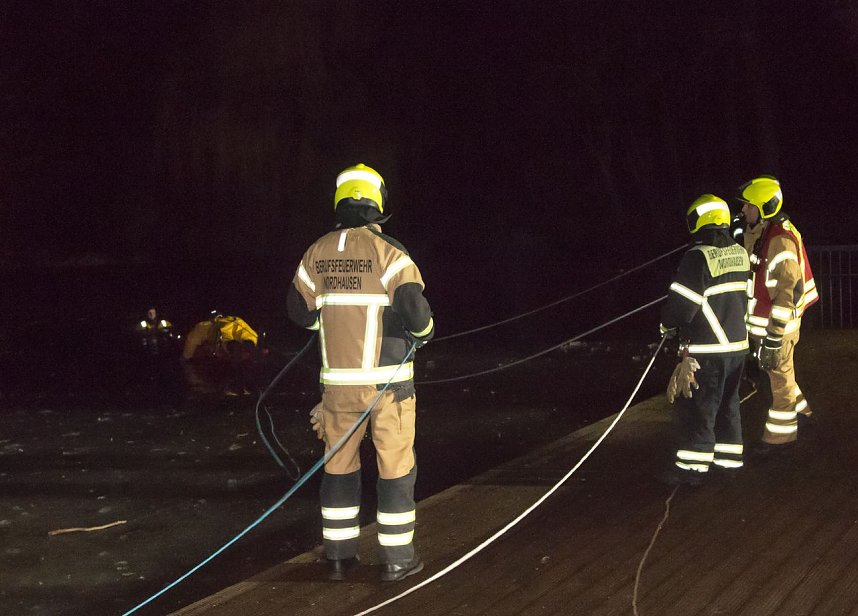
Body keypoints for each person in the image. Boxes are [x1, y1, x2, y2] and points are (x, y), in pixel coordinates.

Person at [287, 163, 434, 582]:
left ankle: (338, 558)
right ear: (377, 205)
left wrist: (325, 324)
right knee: (396, 469)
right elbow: (415, 310)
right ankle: (398, 560)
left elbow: (298, 309)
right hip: (389, 387)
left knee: (338, 469)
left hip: (338, 389)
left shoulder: (316, 253)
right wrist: (424, 333)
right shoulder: (390, 252)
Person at [658, 194, 751, 486]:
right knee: (728, 406)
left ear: (698, 222)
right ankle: (729, 462)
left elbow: (682, 305)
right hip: (737, 347)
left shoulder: (697, 257)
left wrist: (667, 326)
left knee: (700, 409)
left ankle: (692, 470)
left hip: (708, 350)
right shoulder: (740, 252)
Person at [736, 175, 818, 455]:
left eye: (749, 206)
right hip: (770, 326)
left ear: (764, 207)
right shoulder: (768, 232)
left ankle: (780, 440)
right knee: (783, 374)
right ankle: (804, 416)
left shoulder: (780, 241)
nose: (743, 211)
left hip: (778, 328)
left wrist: (773, 337)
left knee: (779, 381)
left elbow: (787, 294)